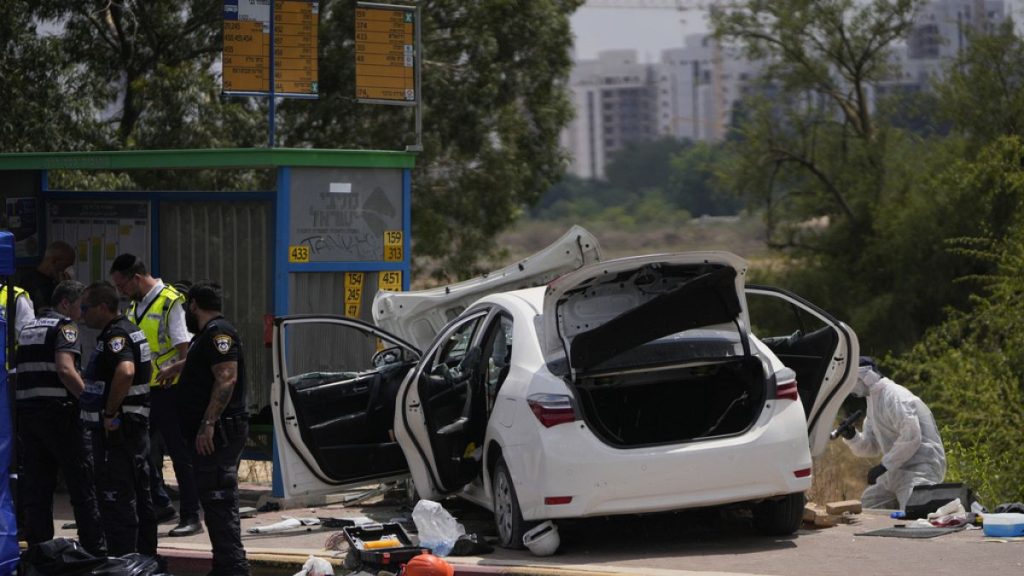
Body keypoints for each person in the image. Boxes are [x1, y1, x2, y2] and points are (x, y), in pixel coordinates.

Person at [109, 254, 201, 537]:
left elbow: (187, 351)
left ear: (136, 278)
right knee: (139, 452)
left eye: (122, 285)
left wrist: (172, 370)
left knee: (180, 455)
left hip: (171, 391)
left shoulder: (171, 302)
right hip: (143, 391)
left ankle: (191, 515)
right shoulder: (135, 306)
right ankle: (159, 504)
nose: (121, 292)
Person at [15, 280, 106, 555]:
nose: (83, 312)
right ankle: (94, 551)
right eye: (81, 306)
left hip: (28, 418)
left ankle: (41, 553)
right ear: (66, 304)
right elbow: (66, 370)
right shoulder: (65, 327)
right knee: (82, 485)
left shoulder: (28, 328)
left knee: (38, 488)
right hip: (61, 416)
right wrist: (90, 403)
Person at [79, 281, 157, 556]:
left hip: (119, 429)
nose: (82, 313)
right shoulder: (129, 330)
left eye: (86, 308)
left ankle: (123, 561)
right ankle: (145, 559)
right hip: (132, 428)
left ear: (103, 307)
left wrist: (110, 413)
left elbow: (125, 371)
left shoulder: (117, 336)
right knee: (139, 494)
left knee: (117, 496)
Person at [177, 282, 249, 575]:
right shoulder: (206, 335)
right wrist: (177, 368)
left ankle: (233, 568)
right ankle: (224, 566)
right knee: (214, 501)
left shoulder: (219, 333)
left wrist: (208, 424)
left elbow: (226, 378)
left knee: (220, 502)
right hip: (213, 433)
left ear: (194, 304)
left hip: (218, 434)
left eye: (187, 306)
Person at [841, 357, 947, 510]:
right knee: (869, 505)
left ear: (867, 377)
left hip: (920, 470)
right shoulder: (873, 402)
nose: (851, 388)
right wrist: (853, 437)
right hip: (895, 472)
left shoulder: (895, 396)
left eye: (852, 382)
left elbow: (911, 437)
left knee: (915, 512)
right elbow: (872, 447)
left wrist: (884, 466)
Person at [17, 241, 76, 311]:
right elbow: (44, 310)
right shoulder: (31, 283)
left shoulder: (55, 282)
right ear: (54, 262)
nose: (66, 270)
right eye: (66, 266)